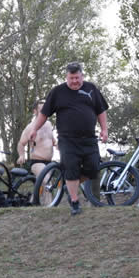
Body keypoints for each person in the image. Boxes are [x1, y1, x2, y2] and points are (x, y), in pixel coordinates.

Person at [29, 61, 109, 216]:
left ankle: (70, 184)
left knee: (93, 168)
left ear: (82, 76)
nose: (74, 81)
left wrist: (104, 129)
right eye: (71, 78)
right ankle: (74, 201)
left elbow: (101, 111)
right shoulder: (58, 92)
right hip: (67, 139)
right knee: (71, 168)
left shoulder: (91, 89)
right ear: (66, 77)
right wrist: (34, 129)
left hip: (89, 138)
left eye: (77, 78)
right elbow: (44, 114)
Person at [17, 99, 57, 177]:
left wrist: (57, 144)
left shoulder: (49, 124)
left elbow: (52, 140)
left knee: (48, 186)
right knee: (46, 180)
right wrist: (21, 155)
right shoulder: (30, 127)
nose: (45, 112)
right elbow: (21, 144)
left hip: (49, 162)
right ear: (35, 111)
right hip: (37, 162)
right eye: (42, 110)